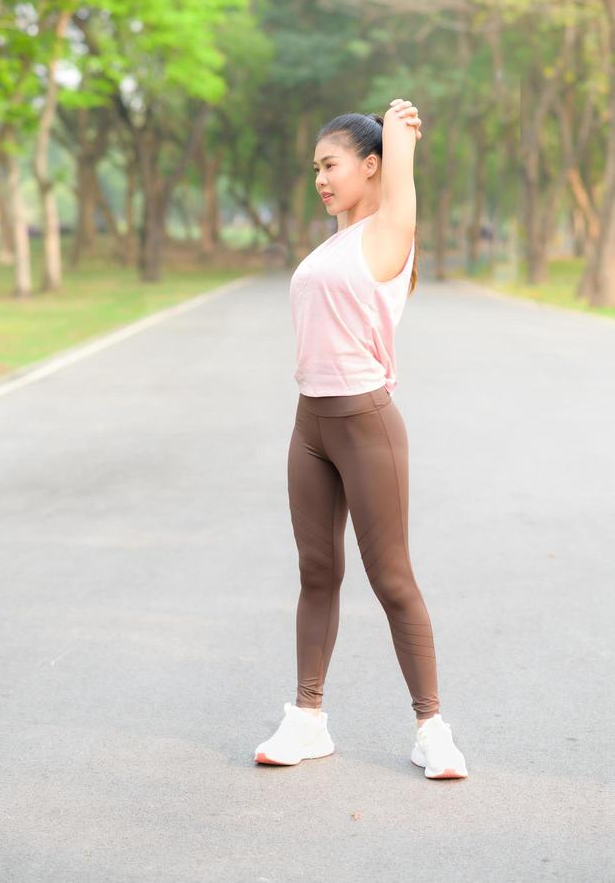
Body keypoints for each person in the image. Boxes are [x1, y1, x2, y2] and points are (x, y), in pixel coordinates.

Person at [253, 100, 468, 780]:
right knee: (318, 572)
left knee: (391, 578)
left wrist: (396, 124)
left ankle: (432, 729)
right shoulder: (333, 246)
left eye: (330, 164)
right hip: (310, 423)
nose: (319, 178)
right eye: (314, 167)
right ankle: (307, 718)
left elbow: (401, 171)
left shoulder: (389, 233)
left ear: (370, 167)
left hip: (366, 423)